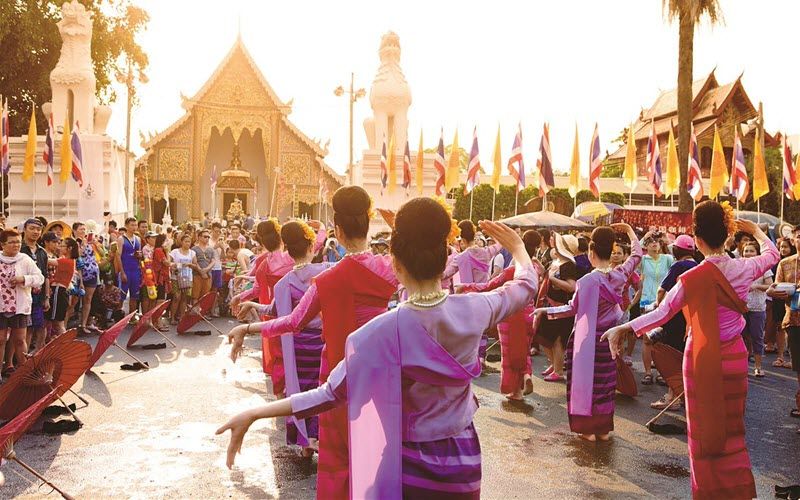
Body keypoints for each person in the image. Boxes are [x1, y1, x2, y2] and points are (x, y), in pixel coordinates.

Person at [219, 198, 538, 498]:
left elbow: (328, 393)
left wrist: (255, 412)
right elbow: (525, 286)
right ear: (445, 258)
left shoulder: (376, 334)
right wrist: (520, 249)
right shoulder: (476, 309)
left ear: (395, 263)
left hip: (410, 461)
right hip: (463, 457)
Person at [227, 186, 398, 499]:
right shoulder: (390, 268)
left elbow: (292, 322)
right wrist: (398, 228)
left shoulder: (329, 279)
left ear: (338, 229)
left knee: (341, 461)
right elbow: (421, 266)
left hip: (338, 372)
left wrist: (248, 328)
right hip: (384, 372)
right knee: (379, 453)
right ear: (368, 221)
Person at [603, 202, 778, 499]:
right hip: (735, 358)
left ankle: (708, 492)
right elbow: (772, 254)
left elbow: (662, 312)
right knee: (733, 430)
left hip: (700, 359)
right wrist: (758, 232)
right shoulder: (745, 268)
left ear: (696, 239)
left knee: (702, 434)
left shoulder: (690, 279)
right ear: (728, 235)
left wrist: (625, 328)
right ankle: (737, 490)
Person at [535, 223, 641, 441]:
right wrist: (629, 231)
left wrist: (546, 310)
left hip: (586, 342)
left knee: (585, 385)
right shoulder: (620, 275)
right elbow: (637, 255)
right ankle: (602, 429)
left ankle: (587, 429)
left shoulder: (586, 282)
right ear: (610, 252)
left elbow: (571, 309)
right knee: (605, 384)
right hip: (610, 340)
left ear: (591, 252)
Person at [237, 220, 334, 457]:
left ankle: (305, 443)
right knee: (322, 390)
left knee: (300, 392)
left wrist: (251, 303)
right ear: (311, 247)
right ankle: (320, 436)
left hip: (297, 346)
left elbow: (274, 310)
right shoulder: (327, 271)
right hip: (322, 343)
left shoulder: (284, 284)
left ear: (288, 250)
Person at [459, 230, 545, 400]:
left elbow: (489, 286)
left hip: (510, 315)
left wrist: (466, 286)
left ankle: (515, 391)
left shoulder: (511, 271)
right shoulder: (535, 269)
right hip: (530, 314)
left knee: (509, 354)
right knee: (524, 350)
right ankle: (526, 376)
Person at [647, 234, 697, 409]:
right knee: (684, 357)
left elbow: (662, 290)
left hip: (675, 318)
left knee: (671, 356)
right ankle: (680, 396)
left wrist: (658, 308)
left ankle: (671, 397)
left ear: (677, 250)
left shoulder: (678, 265)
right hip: (692, 319)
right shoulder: (698, 266)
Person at [442, 220, 502, 365]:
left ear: (462, 240)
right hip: (484, 296)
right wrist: (493, 232)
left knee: (469, 331)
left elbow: (445, 274)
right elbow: (500, 244)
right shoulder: (486, 252)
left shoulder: (460, 257)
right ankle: (481, 358)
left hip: (466, 298)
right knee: (483, 329)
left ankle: (471, 359)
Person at [0, 229, 45, 380]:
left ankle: (26, 372)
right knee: (0, 340)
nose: (16, 245)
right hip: (1, 306)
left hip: (20, 306)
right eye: (11, 242)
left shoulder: (24, 259)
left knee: (20, 340)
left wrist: (23, 279)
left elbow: (40, 278)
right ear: (2, 244)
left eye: (18, 242)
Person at [535, 233, 580, 382]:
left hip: (560, 309)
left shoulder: (568, 265)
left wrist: (552, 279)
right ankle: (554, 364)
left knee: (557, 341)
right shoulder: (557, 261)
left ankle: (558, 370)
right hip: (548, 305)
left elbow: (571, 286)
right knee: (544, 338)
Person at [638, 231, 674, 385]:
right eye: (650, 241)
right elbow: (635, 253)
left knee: (661, 341)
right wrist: (645, 237)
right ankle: (647, 373)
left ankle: (662, 372)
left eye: (656, 241)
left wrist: (665, 238)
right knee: (646, 339)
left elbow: (675, 253)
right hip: (646, 302)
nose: (654, 243)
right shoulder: (643, 260)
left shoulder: (667, 259)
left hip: (664, 303)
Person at [742, 241, 773, 377]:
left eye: (751, 251)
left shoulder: (764, 268)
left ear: (757, 253)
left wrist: (755, 287)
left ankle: (758, 366)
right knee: (742, 338)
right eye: (746, 251)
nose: (748, 254)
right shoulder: (739, 266)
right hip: (741, 307)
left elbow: (770, 286)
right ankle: (742, 367)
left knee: (757, 337)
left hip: (758, 307)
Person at [20, 219, 49, 355]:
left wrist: (47, 297)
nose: (35, 232)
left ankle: (36, 355)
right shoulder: (19, 249)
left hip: (38, 296)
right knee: (22, 329)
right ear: (25, 229)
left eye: (38, 229)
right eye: (32, 228)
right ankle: (18, 360)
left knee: (38, 326)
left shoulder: (42, 252)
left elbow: (46, 275)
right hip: (21, 295)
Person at [767, 237, 796, 369]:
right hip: (785, 305)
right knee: (780, 327)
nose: (783, 249)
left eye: (785, 246)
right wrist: (772, 291)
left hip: (793, 307)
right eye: (781, 246)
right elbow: (774, 286)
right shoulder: (783, 263)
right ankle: (781, 356)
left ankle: (791, 357)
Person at [48, 237, 81, 338]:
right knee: (56, 322)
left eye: (62, 246)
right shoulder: (69, 260)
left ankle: (67, 344)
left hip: (59, 291)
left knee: (58, 323)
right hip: (60, 292)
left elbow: (47, 260)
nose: (60, 247)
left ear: (69, 248)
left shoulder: (67, 261)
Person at [73, 222, 101, 333]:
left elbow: (99, 254)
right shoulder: (73, 242)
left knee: (88, 299)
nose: (83, 232)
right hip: (79, 273)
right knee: (74, 301)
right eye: (80, 229)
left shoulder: (89, 242)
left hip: (92, 273)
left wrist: (95, 244)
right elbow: (77, 255)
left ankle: (84, 324)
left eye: (84, 229)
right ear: (74, 231)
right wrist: (82, 245)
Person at [169, 233, 198, 323]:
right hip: (176, 277)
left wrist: (189, 264)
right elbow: (168, 262)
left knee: (184, 297)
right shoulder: (175, 252)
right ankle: (172, 317)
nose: (187, 243)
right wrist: (173, 266)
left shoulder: (192, 253)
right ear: (181, 242)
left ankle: (181, 317)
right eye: (185, 241)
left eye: (189, 242)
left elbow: (195, 265)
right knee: (177, 297)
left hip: (187, 277)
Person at [117, 217, 143, 317]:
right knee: (122, 295)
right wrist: (122, 272)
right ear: (127, 226)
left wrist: (139, 256)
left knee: (134, 295)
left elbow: (139, 254)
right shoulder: (121, 239)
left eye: (135, 225)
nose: (134, 227)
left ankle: (132, 316)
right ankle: (118, 315)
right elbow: (118, 256)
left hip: (135, 270)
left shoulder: (138, 239)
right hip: (126, 269)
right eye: (132, 225)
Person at [191, 229, 215, 302]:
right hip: (197, 274)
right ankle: (194, 312)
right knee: (195, 296)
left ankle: (202, 312)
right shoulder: (194, 249)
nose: (207, 238)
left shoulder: (211, 249)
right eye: (205, 237)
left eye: (208, 237)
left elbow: (213, 261)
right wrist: (201, 271)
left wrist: (206, 270)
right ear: (199, 237)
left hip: (208, 275)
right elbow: (194, 262)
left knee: (205, 296)